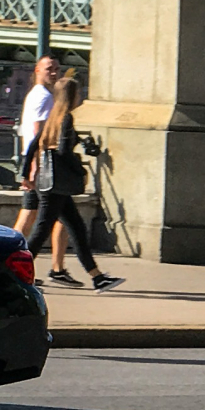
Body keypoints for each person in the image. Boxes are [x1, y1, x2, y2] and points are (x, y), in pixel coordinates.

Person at [23, 72, 121, 291]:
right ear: (73, 96)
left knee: (76, 228)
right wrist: (79, 169)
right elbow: (64, 151)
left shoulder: (53, 117)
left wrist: (25, 174)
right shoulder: (66, 118)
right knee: (41, 231)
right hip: (56, 186)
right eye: (79, 93)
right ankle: (13, 273)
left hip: (49, 184)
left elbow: (32, 146)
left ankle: (97, 277)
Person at [10, 54, 59, 242]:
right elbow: (39, 132)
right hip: (40, 160)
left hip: (32, 157)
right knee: (38, 214)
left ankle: (11, 250)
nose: (54, 73)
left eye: (57, 69)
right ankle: (12, 253)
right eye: (49, 69)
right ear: (37, 71)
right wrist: (35, 166)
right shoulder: (44, 97)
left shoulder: (35, 94)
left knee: (30, 210)